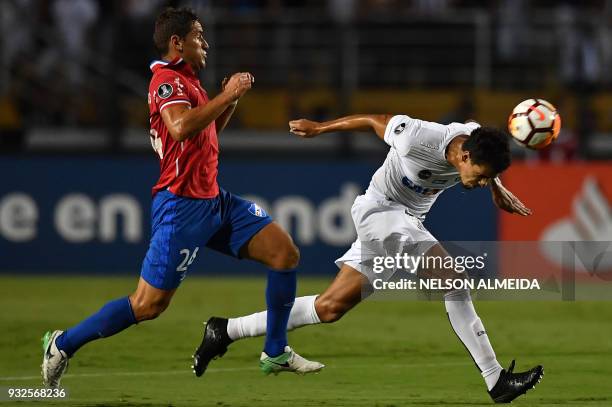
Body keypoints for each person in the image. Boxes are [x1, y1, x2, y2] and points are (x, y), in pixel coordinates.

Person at [41, 7, 324, 388]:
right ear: (178, 42)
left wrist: (228, 101)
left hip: (215, 202)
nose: (205, 43)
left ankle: (275, 350)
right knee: (148, 305)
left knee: (284, 252)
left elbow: (204, 134)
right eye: (198, 36)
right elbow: (178, 129)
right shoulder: (166, 81)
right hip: (182, 206)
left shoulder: (190, 82)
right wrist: (225, 94)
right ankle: (63, 343)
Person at [193, 114, 544, 404]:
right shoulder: (418, 138)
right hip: (380, 211)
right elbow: (375, 120)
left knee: (330, 308)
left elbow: (481, 145)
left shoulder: (474, 140)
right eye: (481, 176)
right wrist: (320, 129)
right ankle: (495, 379)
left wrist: (497, 188)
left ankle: (225, 330)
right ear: (465, 157)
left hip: (405, 223)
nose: (481, 183)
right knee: (453, 282)